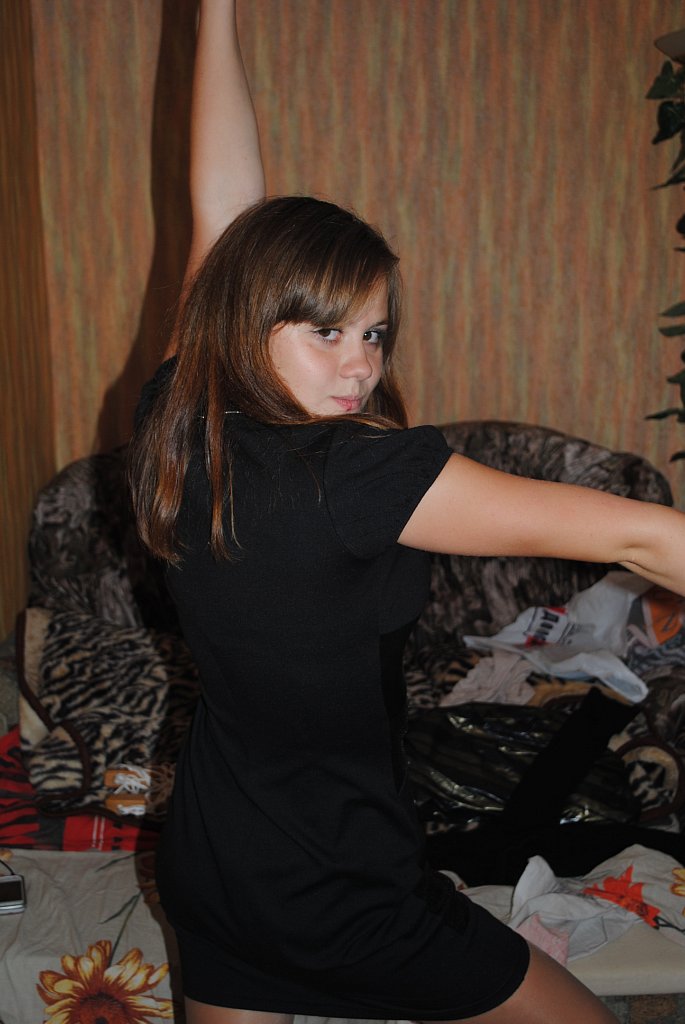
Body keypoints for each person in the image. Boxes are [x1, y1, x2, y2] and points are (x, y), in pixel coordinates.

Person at [129, 3, 685, 1022]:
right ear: (248, 318)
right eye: (326, 332)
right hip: (341, 881)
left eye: (375, 334)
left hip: (217, 857)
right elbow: (639, 533)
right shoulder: (355, 474)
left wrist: (215, 11)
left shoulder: (180, 419)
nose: (360, 367)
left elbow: (221, 212)